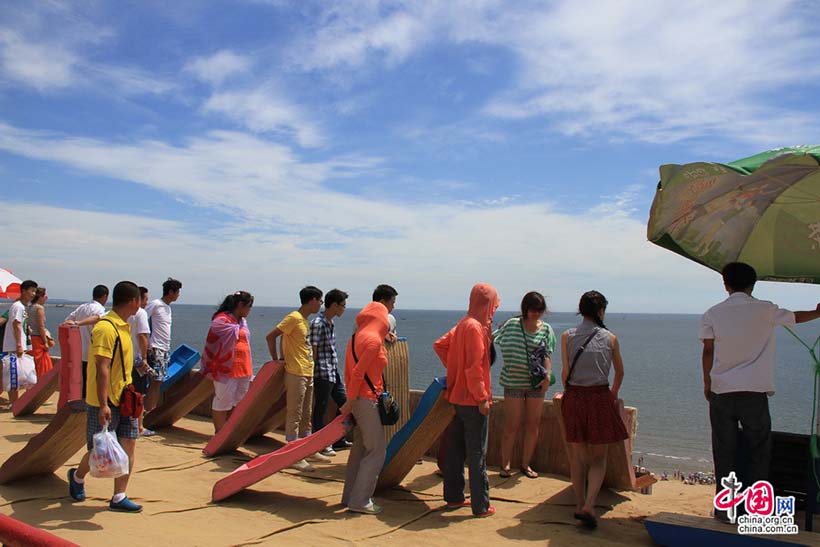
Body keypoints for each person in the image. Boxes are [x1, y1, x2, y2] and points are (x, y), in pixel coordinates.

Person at [700, 262, 820, 523]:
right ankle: (757, 509)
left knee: (724, 452)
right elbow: (795, 317)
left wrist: (707, 384)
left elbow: (708, 351)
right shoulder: (765, 309)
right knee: (759, 451)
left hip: (722, 391)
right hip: (754, 393)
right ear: (752, 284)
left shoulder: (712, 313)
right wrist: (817, 312)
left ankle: (726, 511)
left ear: (726, 284)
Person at [67, 281, 143, 513]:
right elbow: (102, 367)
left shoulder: (123, 326)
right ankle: (78, 477)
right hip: (106, 400)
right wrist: (103, 404)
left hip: (125, 396)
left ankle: (119, 496)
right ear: (132, 301)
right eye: (140, 299)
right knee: (99, 448)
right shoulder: (106, 328)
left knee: (128, 444)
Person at [560, 290, 627, 529]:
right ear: (601, 311)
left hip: (575, 398)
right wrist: (613, 394)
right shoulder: (610, 338)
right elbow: (619, 372)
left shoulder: (567, 336)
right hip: (599, 396)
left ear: (581, 310)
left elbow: (565, 375)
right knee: (599, 457)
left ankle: (579, 504)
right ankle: (590, 503)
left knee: (578, 457)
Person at [433, 283, 500, 518]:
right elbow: (474, 369)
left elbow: (440, 345)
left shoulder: (464, 323)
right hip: (473, 400)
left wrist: (454, 369)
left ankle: (453, 497)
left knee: (455, 451)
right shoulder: (474, 328)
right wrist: (482, 398)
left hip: (457, 397)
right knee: (476, 454)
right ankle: (480, 506)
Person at [493, 291, 556, 478]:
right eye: (532, 309)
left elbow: (547, 355)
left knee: (533, 425)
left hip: (535, 383)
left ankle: (526, 464)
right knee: (511, 425)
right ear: (525, 309)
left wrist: (547, 377)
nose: (536, 313)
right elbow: (491, 338)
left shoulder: (546, 329)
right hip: (513, 381)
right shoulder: (512, 325)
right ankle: (505, 464)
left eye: (539, 310)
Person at [266, 286, 328, 471]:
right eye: (320, 301)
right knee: (295, 414)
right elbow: (271, 336)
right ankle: (291, 455)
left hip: (307, 371)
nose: (320, 304)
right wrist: (276, 360)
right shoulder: (293, 317)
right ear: (312, 300)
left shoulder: (305, 321)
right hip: (295, 372)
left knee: (306, 415)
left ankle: (306, 450)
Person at [339, 300, 392, 514]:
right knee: (377, 450)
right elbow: (359, 374)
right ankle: (360, 500)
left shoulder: (356, 338)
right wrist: (350, 401)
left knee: (360, 449)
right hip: (366, 400)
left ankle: (349, 496)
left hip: (359, 399)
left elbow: (349, 371)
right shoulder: (372, 341)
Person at [202, 291, 254, 433]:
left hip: (243, 366)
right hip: (226, 367)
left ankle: (230, 431)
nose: (249, 310)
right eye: (248, 306)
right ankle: (220, 431)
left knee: (238, 401)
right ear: (240, 305)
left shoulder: (242, 322)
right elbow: (214, 341)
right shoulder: (221, 320)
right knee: (223, 400)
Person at [310, 288, 351, 456]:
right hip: (322, 371)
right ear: (333, 305)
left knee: (344, 404)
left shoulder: (330, 322)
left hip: (332, 370)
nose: (344, 309)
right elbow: (314, 348)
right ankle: (319, 444)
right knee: (321, 408)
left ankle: (337, 438)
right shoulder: (318, 323)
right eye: (342, 305)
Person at [62, 284, 109, 398]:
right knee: (95, 381)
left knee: (85, 380)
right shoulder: (100, 310)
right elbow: (99, 320)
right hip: (94, 350)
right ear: (105, 296)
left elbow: (67, 321)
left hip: (81, 350)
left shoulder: (82, 307)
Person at [2, 280, 38, 404]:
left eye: (35, 291)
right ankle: (15, 403)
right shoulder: (18, 307)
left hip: (17, 345)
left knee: (13, 375)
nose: (33, 294)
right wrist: (18, 344)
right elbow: (16, 324)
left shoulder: (22, 307)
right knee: (13, 375)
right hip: (14, 346)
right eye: (32, 291)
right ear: (23, 291)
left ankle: (16, 403)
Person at [145, 277, 182, 382]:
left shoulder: (167, 307)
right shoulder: (156, 304)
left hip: (165, 348)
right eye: (177, 291)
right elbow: (142, 319)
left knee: (160, 381)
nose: (178, 294)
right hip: (156, 347)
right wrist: (147, 342)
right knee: (155, 381)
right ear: (171, 292)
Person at [128, 286, 152, 436]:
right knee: (139, 394)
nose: (146, 302)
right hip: (137, 360)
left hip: (124, 359)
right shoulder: (140, 313)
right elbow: (143, 335)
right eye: (145, 299)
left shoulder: (122, 313)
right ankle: (139, 426)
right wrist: (144, 358)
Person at [27, 287, 55, 379]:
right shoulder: (39, 308)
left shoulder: (28, 307)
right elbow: (41, 326)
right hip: (37, 339)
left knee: (32, 364)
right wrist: (45, 342)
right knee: (42, 365)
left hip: (29, 338)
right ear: (41, 297)